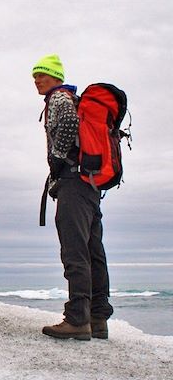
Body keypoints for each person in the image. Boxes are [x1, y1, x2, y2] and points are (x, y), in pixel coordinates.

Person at [32, 54, 113, 341]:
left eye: (41, 74)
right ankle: (98, 317)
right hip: (89, 185)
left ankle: (78, 319)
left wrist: (56, 160)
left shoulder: (60, 99)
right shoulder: (73, 100)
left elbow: (66, 125)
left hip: (73, 183)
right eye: (34, 76)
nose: (36, 80)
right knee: (93, 251)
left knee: (75, 251)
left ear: (56, 76)